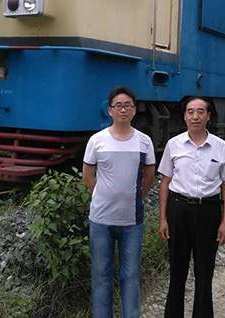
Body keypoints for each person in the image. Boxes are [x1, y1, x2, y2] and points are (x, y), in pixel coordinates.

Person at [158, 96, 225, 318]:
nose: (195, 116)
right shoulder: (173, 145)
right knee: (177, 272)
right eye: (190, 111)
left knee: (205, 273)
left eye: (200, 111)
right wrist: (162, 218)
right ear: (184, 116)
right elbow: (165, 182)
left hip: (209, 213)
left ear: (209, 116)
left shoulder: (221, 147)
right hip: (178, 211)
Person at [82, 86, 156, 318]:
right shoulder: (97, 140)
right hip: (100, 221)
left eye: (128, 105)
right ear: (110, 110)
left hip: (132, 221)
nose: (123, 109)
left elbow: (149, 175)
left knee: (131, 275)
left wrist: (134, 197)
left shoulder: (144, 142)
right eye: (118, 105)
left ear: (134, 110)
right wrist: (103, 194)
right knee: (101, 276)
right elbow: (87, 175)